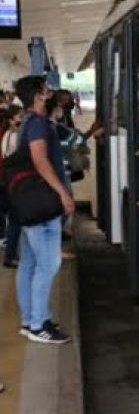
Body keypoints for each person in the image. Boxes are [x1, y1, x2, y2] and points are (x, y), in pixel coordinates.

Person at [14, 76, 75, 344]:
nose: (50, 92)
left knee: (29, 263)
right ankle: (39, 324)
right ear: (38, 96)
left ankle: (31, 320)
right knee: (49, 263)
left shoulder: (27, 121)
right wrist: (63, 193)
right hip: (43, 203)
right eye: (45, 89)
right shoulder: (37, 124)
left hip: (28, 203)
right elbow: (40, 162)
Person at [2, 105, 22, 269]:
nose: (22, 119)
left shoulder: (8, 135)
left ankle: (12, 254)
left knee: (14, 219)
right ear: (11, 120)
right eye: (19, 116)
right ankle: (10, 256)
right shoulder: (13, 136)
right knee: (15, 219)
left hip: (10, 180)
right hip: (15, 181)